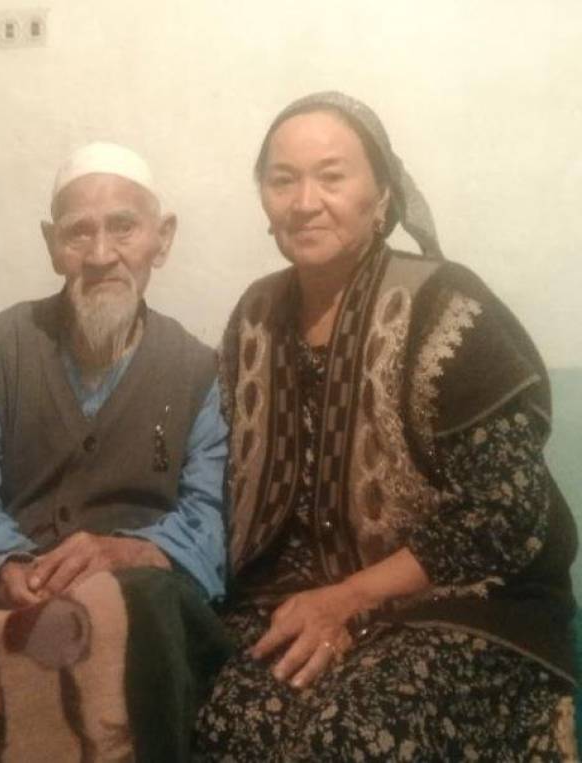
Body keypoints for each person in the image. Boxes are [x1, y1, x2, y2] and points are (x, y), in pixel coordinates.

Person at [194, 91, 577, 760]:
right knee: (230, 724)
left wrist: (349, 599)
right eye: (283, 180)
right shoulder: (255, 316)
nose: (305, 201)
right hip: (294, 600)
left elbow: (505, 513)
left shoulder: (446, 306)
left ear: (382, 195)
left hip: (458, 604)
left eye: (332, 176)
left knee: (350, 734)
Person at [0, 142, 231, 759]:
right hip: (13, 593)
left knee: (143, 606)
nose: (101, 254)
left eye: (123, 228)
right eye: (78, 233)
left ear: (162, 239)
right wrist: (8, 566)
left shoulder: (198, 371)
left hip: (143, 604)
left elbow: (211, 524)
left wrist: (128, 551)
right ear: (51, 244)